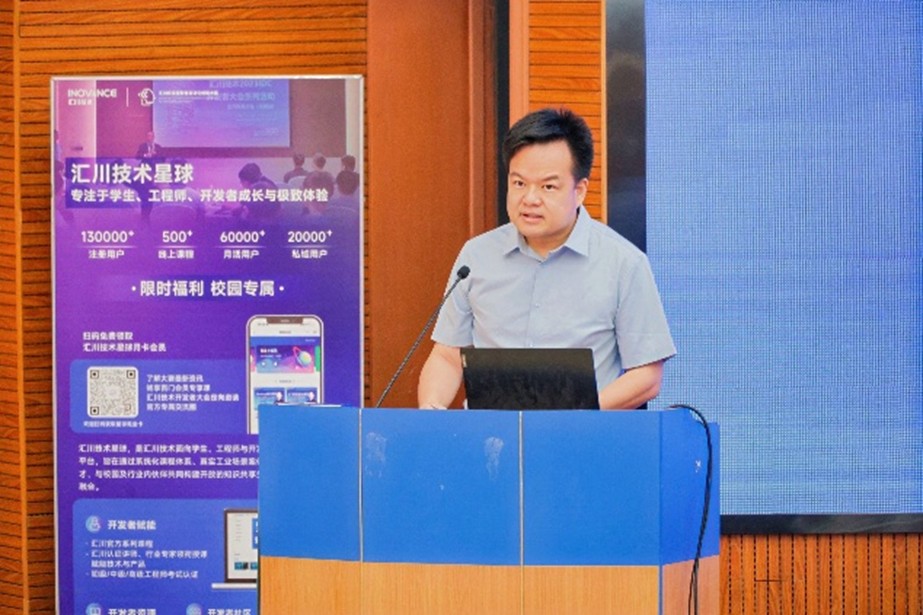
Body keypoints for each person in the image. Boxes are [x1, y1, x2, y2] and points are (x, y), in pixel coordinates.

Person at [417, 107, 676, 411]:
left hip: (581, 434)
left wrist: (574, 418)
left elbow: (646, 376)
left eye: (548, 186)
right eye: (519, 183)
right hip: (491, 436)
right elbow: (447, 356)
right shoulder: (476, 256)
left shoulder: (624, 263)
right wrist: (431, 409)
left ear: (580, 190)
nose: (530, 199)